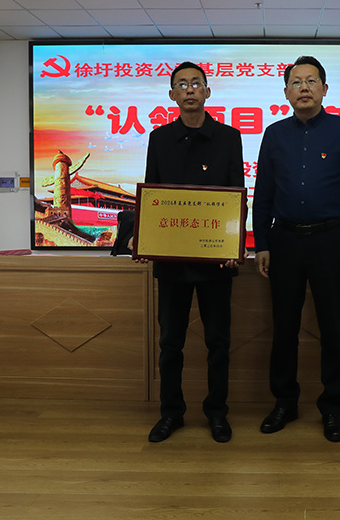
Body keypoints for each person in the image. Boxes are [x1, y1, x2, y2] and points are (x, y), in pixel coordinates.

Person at [252, 55, 340, 442]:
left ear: (324, 89)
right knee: (284, 329)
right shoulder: (274, 134)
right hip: (284, 241)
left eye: (311, 81)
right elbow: (263, 194)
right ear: (286, 92)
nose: (304, 87)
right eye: (296, 82)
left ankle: (331, 408)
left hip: (331, 241)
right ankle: (284, 403)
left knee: (333, 328)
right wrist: (262, 242)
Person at [133, 61, 244, 443]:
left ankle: (217, 413)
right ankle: (172, 413)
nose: (190, 89)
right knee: (170, 343)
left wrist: (234, 245)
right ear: (172, 95)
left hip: (216, 261)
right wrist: (144, 239)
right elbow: (152, 194)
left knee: (218, 343)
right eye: (182, 84)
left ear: (207, 92)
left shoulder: (229, 137)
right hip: (172, 262)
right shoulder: (160, 138)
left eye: (196, 83)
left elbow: (237, 195)